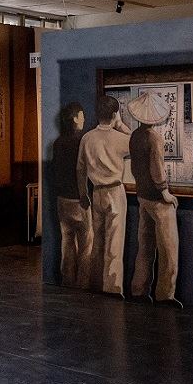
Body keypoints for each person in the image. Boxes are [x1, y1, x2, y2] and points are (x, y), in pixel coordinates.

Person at [125, 92, 182, 306]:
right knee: (168, 250)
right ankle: (165, 295)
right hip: (158, 200)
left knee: (145, 246)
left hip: (142, 196)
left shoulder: (135, 135)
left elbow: (135, 168)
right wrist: (164, 191)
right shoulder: (154, 138)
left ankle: (138, 290)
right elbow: (157, 168)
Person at [78, 94, 133, 298]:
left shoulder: (87, 138)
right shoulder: (119, 138)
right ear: (114, 114)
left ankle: (95, 284)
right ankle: (112, 288)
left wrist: (83, 194)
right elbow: (135, 141)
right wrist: (121, 125)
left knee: (98, 242)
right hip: (115, 191)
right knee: (114, 244)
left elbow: (80, 169)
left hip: (96, 192)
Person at [51, 102, 93, 289]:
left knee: (67, 241)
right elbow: (84, 170)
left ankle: (67, 280)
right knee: (86, 244)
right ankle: (83, 283)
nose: (84, 119)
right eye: (82, 116)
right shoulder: (82, 142)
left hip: (62, 199)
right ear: (75, 118)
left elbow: (55, 171)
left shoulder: (58, 142)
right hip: (79, 199)